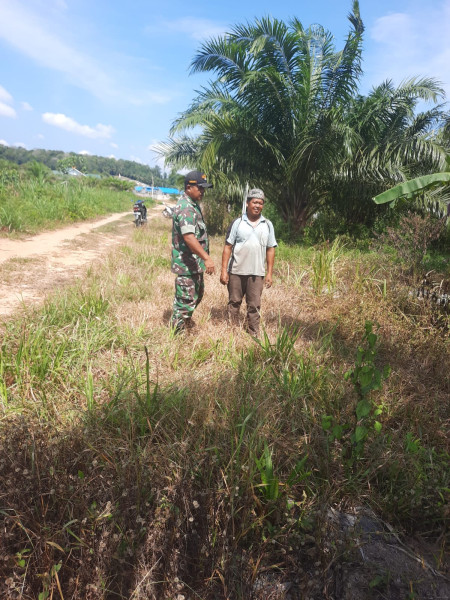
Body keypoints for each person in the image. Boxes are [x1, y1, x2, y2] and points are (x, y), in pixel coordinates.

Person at [220, 188, 277, 336]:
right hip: (236, 271)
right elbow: (228, 247)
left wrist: (269, 273)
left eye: (260, 203)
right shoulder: (237, 223)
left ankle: (253, 333)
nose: (257, 205)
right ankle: (232, 332)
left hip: (257, 273)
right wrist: (223, 270)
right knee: (234, 303)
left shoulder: (267, 224)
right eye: (254, 202)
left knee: (254, 305)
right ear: (247, 203)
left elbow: (270, 249)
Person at [171, 170, 215, 333]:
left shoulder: (192, 205)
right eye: (200, 188)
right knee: (185, 301)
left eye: (204, 188)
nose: (203, 191)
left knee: (196, 295)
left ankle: (184, 323)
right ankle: (177, 334)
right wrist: (206, 258)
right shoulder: (186, 208)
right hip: (186, 264)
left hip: (193, 264)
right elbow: (189, 237)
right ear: (189, 187)